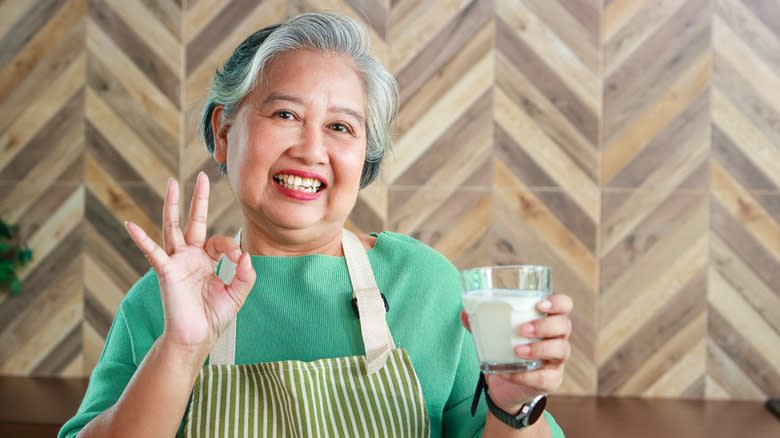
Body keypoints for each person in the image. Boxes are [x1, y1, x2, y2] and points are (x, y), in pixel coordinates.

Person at [60, 11, 573, 438]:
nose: (310, 150)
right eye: (285, 114)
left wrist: (512, 407)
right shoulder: (165, 301)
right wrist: (182, 347)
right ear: (223, 132)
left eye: (340, 127)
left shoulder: (424, 284)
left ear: (362, 158)